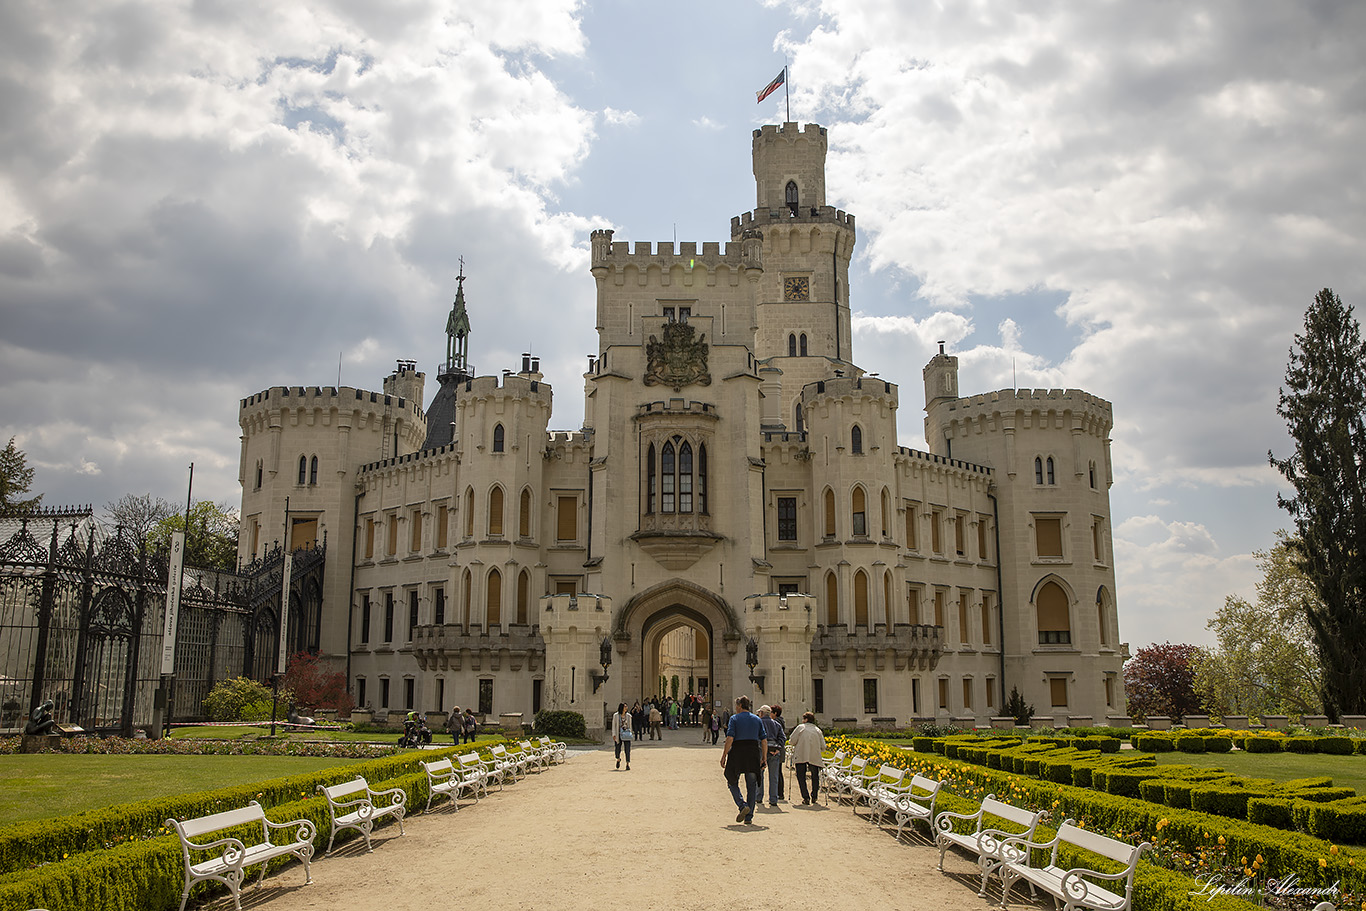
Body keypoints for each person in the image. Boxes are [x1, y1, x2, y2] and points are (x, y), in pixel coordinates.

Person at [720, 695, 767, 824]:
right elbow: (763, 740)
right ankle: (749, 816)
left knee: (731, 780)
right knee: (751, 785)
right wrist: (764, 757)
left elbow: (730, 738)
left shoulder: (734, 718)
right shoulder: (757, 719)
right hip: (752, 752)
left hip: (738, 752)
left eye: (737, 705)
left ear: (740, 706)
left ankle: (742, 805)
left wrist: (724, 755)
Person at [786, 712, 827, 805]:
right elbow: (823, 746)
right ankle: (814, 796)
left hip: (801, 754)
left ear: (806, 720)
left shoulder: (800, 728)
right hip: (814, 755)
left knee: (801, 776)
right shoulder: (818, 730)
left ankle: (805, 797)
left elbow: (792, 741)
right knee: (815, 776)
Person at [761, 704, 787, 806]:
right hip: (774, 751)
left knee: (760, 775)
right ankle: (773, 799)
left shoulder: (759, 723)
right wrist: (778, 748)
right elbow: (783, 737)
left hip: (762, 750)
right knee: (774, 776)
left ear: (762, 713)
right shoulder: (777, 724)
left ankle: (759, 797)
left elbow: (757, 737)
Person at [611, 702, 633, 770]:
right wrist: (614, 734)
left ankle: (627, 764)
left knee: (627, 749)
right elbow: (614, 725)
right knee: (617, 749)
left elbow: (630, 726)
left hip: (626, 734)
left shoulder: (629, 716)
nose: (626, 707)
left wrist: (630, 733)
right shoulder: (616, 715)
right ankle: (618, 759)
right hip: (618, 734)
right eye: (625, 706)